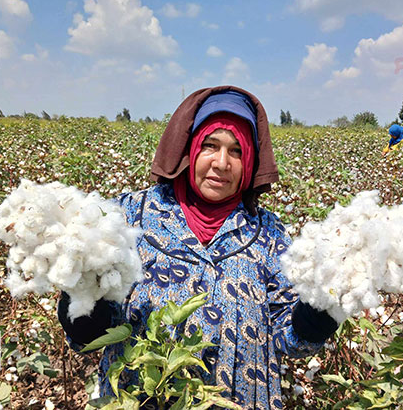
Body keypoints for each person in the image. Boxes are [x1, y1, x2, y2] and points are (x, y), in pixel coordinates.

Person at [58, 86, 339, 410]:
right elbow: (88, 339)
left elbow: (289, 338)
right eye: (210, 145)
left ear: (249, 160)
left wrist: (318, 312)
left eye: (236, 151)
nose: (222, 163)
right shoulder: (127, 216)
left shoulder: (268, 233)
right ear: (188, 148)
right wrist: (81, 309)